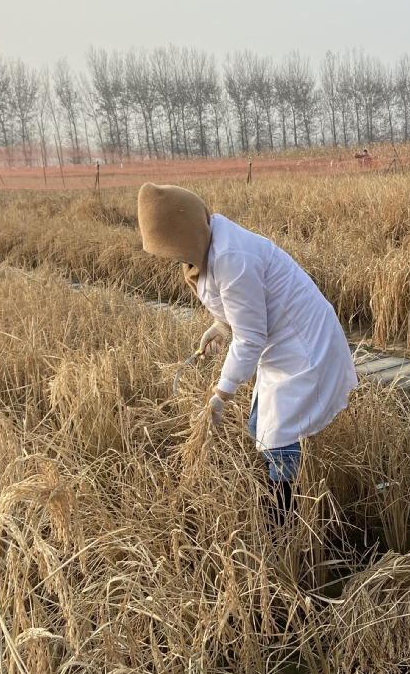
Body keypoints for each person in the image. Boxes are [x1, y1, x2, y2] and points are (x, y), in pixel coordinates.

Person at [138, 183, 359, 517]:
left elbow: (251, 337)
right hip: (282, 344)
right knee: (261, 428)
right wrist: (222, 326)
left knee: (279, 440)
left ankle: (283, 520)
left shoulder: (232, 259)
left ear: (186, 236)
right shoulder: (211, 248)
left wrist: (221, 394)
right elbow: (245, 309)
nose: (176, 260)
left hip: (304, 348)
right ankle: (278, 493)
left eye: (174, 251)